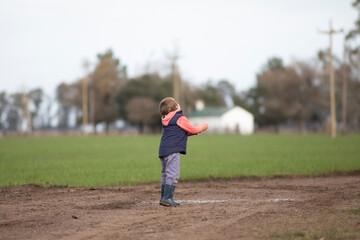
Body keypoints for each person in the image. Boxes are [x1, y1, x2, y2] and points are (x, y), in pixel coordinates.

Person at [158, 97, 208, 207]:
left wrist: (193, 132)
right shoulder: (179, 117)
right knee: (173, 174)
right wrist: (202, 128)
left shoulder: (165, 119)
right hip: (173, 150)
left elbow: (182, 132)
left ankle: (163, 197)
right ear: (176, 107)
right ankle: (167, 198)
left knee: (165, 174)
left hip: (163, 149)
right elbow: (192, 129)